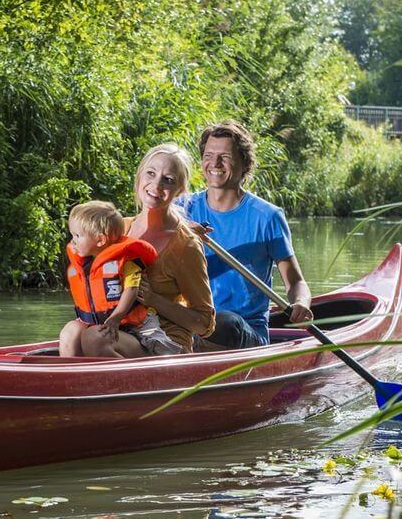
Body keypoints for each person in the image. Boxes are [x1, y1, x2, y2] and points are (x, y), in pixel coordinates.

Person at [179, 120, 312, 349]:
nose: (215, 163)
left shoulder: (267, 217)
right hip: (188, 325)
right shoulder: (181, 209)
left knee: (224, 322)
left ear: (244, 164)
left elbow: (295, 282)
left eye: (225, 157)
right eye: (209, 155)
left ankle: (182, 356)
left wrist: (301, 302)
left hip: (243, 332)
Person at [123, 143, 216, 354]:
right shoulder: (120, 229)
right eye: (151, 173)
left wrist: (153, 299)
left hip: (167, 343)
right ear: (139, 177)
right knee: (74, 333)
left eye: (168, 180)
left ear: (180, 190)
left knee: (96, 340)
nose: (156, 185)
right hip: (124, 330)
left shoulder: (185, 246)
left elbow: (204, 325)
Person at [58, 200, 177, 358]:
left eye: (77, 236)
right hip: (100, 327)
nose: (73, 241)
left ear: (100, 240)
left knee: (94, 336)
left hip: (136, 331)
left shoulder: (126, 261)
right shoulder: (83, 266)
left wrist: (116, 317)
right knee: (70, 330)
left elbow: (131, 290)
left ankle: (127, 377)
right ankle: (71, 376)